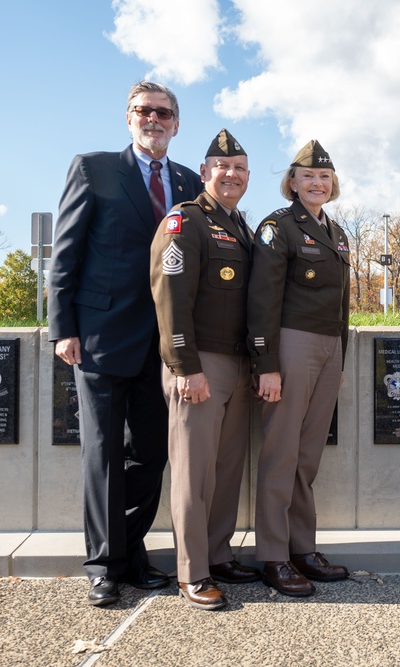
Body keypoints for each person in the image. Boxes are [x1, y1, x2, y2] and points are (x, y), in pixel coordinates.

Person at [48, 81, 202, 606]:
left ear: (176, 123)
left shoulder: (186, 181)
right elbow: (64, 253)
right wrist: (61, 327)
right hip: (99, 338)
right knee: (103, 453)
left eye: (163, 112)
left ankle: (131, 553)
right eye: (143, 111)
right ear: (128, 118)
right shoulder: (93, 168)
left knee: (152, 453)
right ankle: (102, 564)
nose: (153, 119)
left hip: (162, 344)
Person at [150, 129, 260, 611]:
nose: (230, 174)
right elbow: (170, 298)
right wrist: (185, 366)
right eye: (222, 166)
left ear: (248, 176)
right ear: (203, 173)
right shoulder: (185, 221)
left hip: (238, 364)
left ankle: (219, 554)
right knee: (194, 473)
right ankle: (193, 572)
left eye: (239, 167)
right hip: (200, 365)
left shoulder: (242, 227)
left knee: (227, 468)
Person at [248, 140, 352, 597]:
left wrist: (341, 359)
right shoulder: (277, 228)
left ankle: (302, 549)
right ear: (291, 182)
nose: (317, 183)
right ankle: (273, 554)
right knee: (281, 452)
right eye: (307, 176)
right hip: (291, 345)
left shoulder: (338, 232)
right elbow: (262, 300)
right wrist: (266, 364)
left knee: (307, 455)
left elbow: (343, 305)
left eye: (324, 177)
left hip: (329, 350)